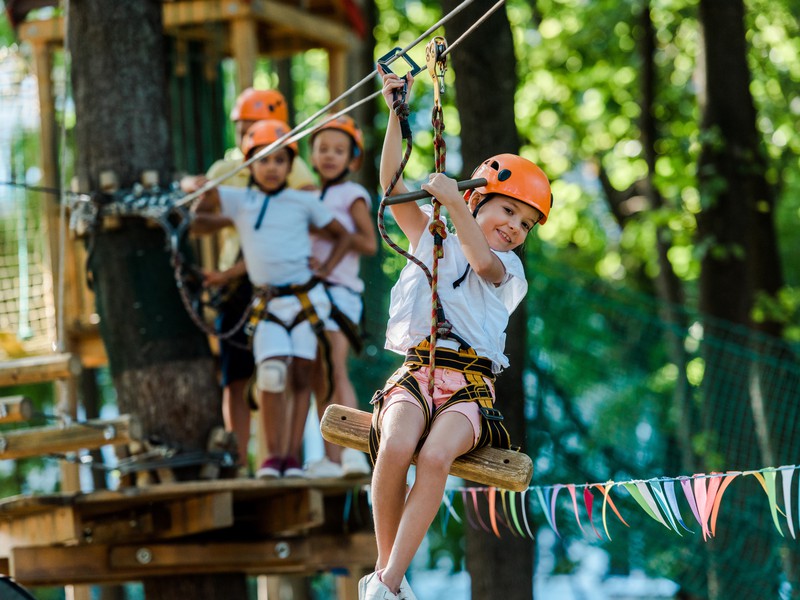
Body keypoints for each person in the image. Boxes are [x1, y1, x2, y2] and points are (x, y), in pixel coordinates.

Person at [359, 71, 553, 600]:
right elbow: (391, 186)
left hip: (468, 387)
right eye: (508, 210)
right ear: (479, 198)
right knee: (395, 445)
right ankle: (384, 578)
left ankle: (389, 580)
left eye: (526, 223)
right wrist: (398, 113)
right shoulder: (429, 234)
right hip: (417, 370)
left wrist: (453, 204)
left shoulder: (509, 272)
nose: (515, 227)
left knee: (436, 457)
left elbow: (479, 258)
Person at [187, 119, 352, 479]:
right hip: (269, 305)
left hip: (305, 301)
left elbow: (342, 235)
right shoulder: (239, 200)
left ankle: (291, 458)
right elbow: (199, 220)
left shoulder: (301, 201)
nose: (272, 168)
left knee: (300, 377)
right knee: (272, 376)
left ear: (290, 166)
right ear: (250, 166)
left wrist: (324, 268)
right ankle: (271, 458)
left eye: (280, 160)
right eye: (263, 160)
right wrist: (200, 194)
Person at [204, 88, 316, 475]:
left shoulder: (294, 168)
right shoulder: (224, 170)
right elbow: (205, 218)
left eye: (256, 126)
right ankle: (238, 461)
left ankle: (283, 457)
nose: (250, 134)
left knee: (279, 372)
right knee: (235, 376)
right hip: (235, 287)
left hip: (274, 283)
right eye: (243, 128)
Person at [304, 115, 377, 479]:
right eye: (323, 149)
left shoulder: (352, 195)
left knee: (335, 369)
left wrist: (333, 238)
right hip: (310, 296)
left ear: (353, 159)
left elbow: (368, 242)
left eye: (339, 150)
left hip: (339, 294)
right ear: (313, 155)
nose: (330, 156)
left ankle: (352, 454)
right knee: (319, 376)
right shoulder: (308, 194)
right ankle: (330, 460)